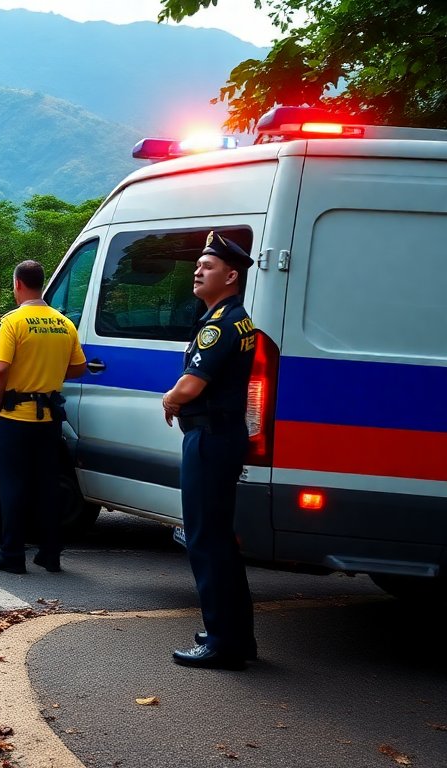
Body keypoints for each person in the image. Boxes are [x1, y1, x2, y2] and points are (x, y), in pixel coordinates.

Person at [161, 231, 258, 670]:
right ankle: (233, 634)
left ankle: (224, 643)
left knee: (206, 539)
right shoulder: (235, 318)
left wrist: (170, 399)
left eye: (208, 266)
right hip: (221, 435)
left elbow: (191, 385)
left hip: (209, 438)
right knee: (218, 538)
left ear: (231, 275)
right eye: (198, 265)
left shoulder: (219, 325)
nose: (198, 271)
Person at [0, 260, 86, 574]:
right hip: (50, 419)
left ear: (18, 284)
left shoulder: (13, 321)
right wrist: (50, 373)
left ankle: (12, 554)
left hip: (16, 417)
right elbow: (79, 367)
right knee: (47, 486)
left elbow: (0, 369)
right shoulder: (63, 323)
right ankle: (50, 553)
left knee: (13, 486)